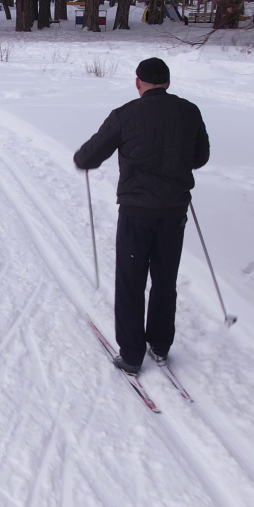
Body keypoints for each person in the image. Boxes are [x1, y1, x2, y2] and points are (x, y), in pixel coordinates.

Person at [73, 57, 211, 376]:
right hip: (174, 212)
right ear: (168, 83)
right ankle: (160, 345)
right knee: (165, 280)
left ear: (138, 84)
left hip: (136, 214)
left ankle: (133, 355)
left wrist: (84, 160)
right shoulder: (189, 112)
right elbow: (200, 157)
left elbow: (89, 156)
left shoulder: (126, 114)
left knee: (131, 281)